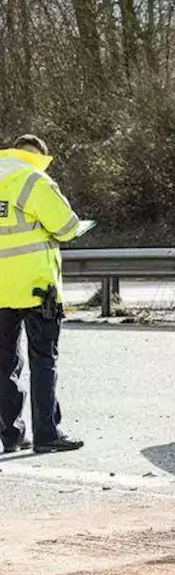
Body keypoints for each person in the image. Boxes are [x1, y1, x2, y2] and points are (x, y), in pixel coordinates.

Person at [0, 134, 83, 454]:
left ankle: (10, 435)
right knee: (43, 360)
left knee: (4, 363)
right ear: (40, 157)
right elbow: (66, 227)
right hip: (37, 290)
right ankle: (47, 434)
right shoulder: (34, 180)